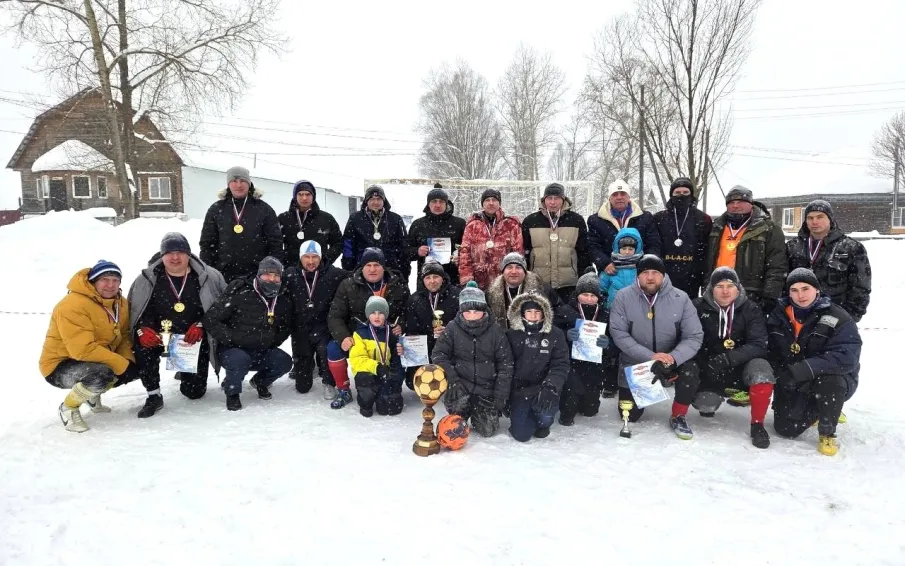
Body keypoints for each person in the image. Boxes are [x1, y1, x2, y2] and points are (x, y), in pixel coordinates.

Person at [128, 233, 227, 418]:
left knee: (194, 393)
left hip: (191, 337)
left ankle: (185, 371)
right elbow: (137, 310)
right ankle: (153, 395)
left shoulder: (209, 276)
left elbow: (220, 308)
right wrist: (143, 329)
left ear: (189, 254)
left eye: (180, 252)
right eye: (169, 253)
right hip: (159, 335)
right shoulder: (147, 278)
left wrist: (201, 325)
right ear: (162, 255)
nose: (175, 258)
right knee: (143, 346)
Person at [767, 268, 862, 456]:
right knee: (786, 429)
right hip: (794, 378)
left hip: (830, 377)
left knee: (829, 383)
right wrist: (780, 374)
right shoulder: (779, 315)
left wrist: (801, 370)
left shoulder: (837, 316)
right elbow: (770, 349)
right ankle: (818, 409)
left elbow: (846, 356)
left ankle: (828, 431)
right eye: (794, 290)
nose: (800, 295)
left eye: (805, 288)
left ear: (817, 290)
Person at [609, 255, 704, 439]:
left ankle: (678, 415)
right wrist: (650, 356)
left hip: (670, 361)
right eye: (645, 272)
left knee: (690, 370)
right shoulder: (623, 297)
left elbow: (693, 336)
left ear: (663, 275)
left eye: (655, 273)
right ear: (638, 275)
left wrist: (672, 358)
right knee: (629, 416)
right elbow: (619, 334)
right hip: (636, 361)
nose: (650, 277)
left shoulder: (681, 298)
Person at [39, 260, 138, 432]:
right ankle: (68, 408)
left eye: (116, 280)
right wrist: (121, 365)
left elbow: (124, 336)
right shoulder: (72, 305)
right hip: (59, 365)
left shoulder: (120, 303)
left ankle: (92, 396)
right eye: (105, 280)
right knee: (102, 375)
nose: (111, 285)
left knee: (136, 365)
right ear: (93, 282)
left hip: (94, 358)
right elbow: (82, 350)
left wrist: (128, 361)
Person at [690, 267, 774, 449]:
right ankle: (712, 393)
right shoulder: (697, 306)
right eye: (720, 286)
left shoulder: (751, 308)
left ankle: (757, 424)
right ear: (711, 288)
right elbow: (689, 339)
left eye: (730, 285)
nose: (725, 291)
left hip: (741, 365)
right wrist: (707, 363)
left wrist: (730, 358)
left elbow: (759, 344)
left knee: (762, 371)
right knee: (706, 406)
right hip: (711, 367)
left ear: (738, 288)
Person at [203, 256, 293, 411]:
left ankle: (260, 381)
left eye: (276, 276)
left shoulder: (283, 297)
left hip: (261, 349)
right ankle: (232, 392)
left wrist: (271, 341)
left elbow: (285, 327)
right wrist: (231, 338)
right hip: (233, 349)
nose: (271, 279)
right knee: (239, 360)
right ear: (258, 275)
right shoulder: (239, 291)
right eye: (267, 275)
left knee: (284, 362)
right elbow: (211, 319)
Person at [327, 247, 409, 409]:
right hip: (359, 336)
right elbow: (335, 315)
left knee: (403, 349)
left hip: (388, 336)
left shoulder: (397, 284)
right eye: (368, 265)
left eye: (377, 265)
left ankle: (392, 387)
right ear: (362, 267)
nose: (372, 269)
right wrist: (343, 336)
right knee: (333, 348)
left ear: (383, 267)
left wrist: (402, 324)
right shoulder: (348, 285)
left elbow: (410, 311)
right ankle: (343, 389)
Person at [432, 282, 514, 438]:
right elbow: (438, 355)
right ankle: (462, 409)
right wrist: (453, 380)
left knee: (488, 430)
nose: (471, 316)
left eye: (476, 311)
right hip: (461, 385)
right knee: (455, 423)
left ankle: (480, 413)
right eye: (467, 311)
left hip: (486, 388)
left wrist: (500, 395)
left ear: (484, 310)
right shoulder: (452, 328)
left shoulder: (496, 331)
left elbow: (506, 364)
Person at [786, 199, 871, 323]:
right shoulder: (792, 247)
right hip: (799, 316)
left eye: (820, 217)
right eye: (810, 218)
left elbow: (861, 287)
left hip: (836, 316)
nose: (814, 221)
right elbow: (783, 281)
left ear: (830, 219)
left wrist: (850, 317)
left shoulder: (851, 248)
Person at [705, 186, 786, 314]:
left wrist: (770, 296)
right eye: (731, 202)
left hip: (751, 294)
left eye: (740, 201)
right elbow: (707, 261)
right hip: (718, 292)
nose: (735, 206)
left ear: (751, 204)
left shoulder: (769, 229)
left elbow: (777, 266)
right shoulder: (716, 227)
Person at [284, 240, 350, 398]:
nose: (311, 261)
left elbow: (356, 277)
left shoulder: (333, 274)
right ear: (300, 258)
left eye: (315, 257)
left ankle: (329, 382)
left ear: (321, 257)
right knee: (302, 387)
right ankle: (306, 371)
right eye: (306, 257)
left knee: (325, 351)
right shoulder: (290, 274)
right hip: (300, 328)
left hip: (324, 326)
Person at [199, 166, 284, 283]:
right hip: (223, 276)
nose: (239, 185)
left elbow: (275, 243)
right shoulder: (216, 209)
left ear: (249, 183)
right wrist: (209, 271)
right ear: (228, 184)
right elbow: (207, 244)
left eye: (243, 181)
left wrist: (271, 272)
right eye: (234, 181)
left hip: (256, 276)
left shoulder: (264, 209)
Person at [505, 293, 570, 441]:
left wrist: (551, 386)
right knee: (521, 435)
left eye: (537, 312)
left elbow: (561, 364)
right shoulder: (511, 334)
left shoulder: (555, 334)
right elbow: (505, 365)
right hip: (520, 391)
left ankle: (542, 419)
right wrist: (506, 395)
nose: (533, 315)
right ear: (522, 313)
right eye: (529, 312)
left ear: (544, 313)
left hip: (544, 388)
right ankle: (522, 416)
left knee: (544, 420)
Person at [558, 272, 612, 426]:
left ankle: (587, 399)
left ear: (599, 297)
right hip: (571, 365)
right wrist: (565, 335)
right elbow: (552, 335)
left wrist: (608, 344)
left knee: (590, 411)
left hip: (595, 367)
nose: (589, 299)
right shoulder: (565, 311)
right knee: (568, 412)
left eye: (593, 295)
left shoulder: (605, 314)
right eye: (585, 294)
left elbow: (616, 342)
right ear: (577, 295)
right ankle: (566, 401)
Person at [521, 182, 590, 302]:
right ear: (544, 200)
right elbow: (525, 251)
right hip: (539, 282)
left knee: (566, 316)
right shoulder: (531, 221)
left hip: (568, 283)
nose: (553, 202)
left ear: (563, 200)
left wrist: (582, 276)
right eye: (549, 198)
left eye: (557, 198)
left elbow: (583, 251)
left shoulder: (576, 220)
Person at [403, 260, 460, 389]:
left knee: (453, 380)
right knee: (413, 382)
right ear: (423, 280)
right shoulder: (415, 299)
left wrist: (449, 331)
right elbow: (412, 330)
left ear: (443, 278)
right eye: (428, 277)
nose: (432, 281)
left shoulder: (456, 295)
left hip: (451, 346)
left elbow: (464, 325)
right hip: (426, 346)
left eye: (436, 276)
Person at [653, 177, 712, 298]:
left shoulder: (703, 219)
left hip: (691, 277)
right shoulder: (659, 218)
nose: (681, 196)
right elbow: (654, 245)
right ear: (671, 194)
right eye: (677, 192)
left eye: (685, 192)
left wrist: (702, 277)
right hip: (664, 275)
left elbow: (706, 250)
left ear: (691, 195)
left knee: (688, 312)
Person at [587, 179, 661, 273]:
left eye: (623, 193)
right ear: (609, 198)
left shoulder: (645, 218)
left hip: (640, 272)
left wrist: (646, 263)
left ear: (628, 197)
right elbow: (592, 246)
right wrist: (605, 263)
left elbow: (653, 243)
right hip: (610, 273)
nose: (619, 197)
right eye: (615, 194)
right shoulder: (596, 220)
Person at [458, 188, 523, 289]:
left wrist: (515, 278)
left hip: (504, 280)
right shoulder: (473, 225)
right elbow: (465, 254)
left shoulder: (511, 224)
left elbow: (518, 254)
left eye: (494, 200)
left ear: (499, 203)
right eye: (487, 200)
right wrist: (467, 278)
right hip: (478, 280)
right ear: (482, 204)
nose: (491, 203)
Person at [350, 296, 405, 417]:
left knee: (389, 410)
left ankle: (386, 394)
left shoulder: (391, 332)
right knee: (365, 380)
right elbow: (357, 359)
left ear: (385, 315)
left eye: (380, 313)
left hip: (386, 373)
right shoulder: (360, 333)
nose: (376, 316)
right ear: (367, 315)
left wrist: (399, 358)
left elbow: (397, 357)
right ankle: (365, 403)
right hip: (369, 372)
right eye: (373, 313)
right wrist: (377, 367)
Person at [342, 184, 410, 280]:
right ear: (366, 201)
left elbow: (402, 245)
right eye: (372, 199)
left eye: (379, 199)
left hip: (390, 267)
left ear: (384, 200)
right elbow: (348, 243)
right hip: (363, 267)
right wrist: (348, 264)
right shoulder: (355, 218)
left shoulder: (395, 219)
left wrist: (403, 267)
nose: (376, 202)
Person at [406, 183, 466, 289]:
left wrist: (460, 257)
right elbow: (405, 251)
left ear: (447, 204)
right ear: (428, 204)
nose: (437, 205)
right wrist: (417, 251)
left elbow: (468, 249)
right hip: (427, 280)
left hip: (452, 279)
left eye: (441, 202)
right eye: (434, 201)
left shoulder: (459, 224)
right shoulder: (418, 225)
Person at [486, 252, 568, 330]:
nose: (514, 271)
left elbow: (560, 313)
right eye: (509, 267)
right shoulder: (491, 292)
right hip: (502, 339)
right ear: (503, 271)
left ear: (525, 272)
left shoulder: (542, 289)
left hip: (534, 337)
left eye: (518, 267)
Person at [278, 180, 343, 268]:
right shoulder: (283, 218)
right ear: (295, 197)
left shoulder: (326, 219)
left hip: (320, 272)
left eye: (308, 194)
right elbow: (274, 243)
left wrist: (325, 260)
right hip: (292, 271)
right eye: (300, 194)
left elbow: (338, 243)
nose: (304, 198)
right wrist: (285, 261)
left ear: (313, 196)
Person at [598, 228, 643, 309]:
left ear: (636, 250)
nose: (627, 252)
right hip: (613, 307)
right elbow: (601, 288)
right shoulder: (611, 267)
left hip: (637, 308)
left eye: (630, 249)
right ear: (618, 249)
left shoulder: (641, 267)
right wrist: (604, 302)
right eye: (624, 248)